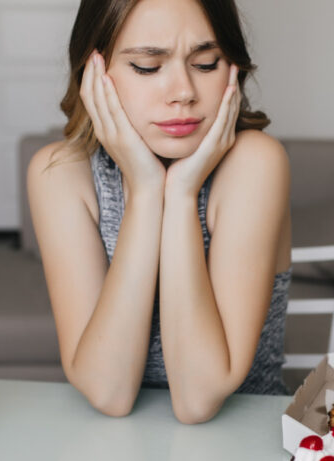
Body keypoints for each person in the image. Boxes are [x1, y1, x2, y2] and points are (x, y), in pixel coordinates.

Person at [26, 0, 291, 424]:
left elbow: (199, 398)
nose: (183, 91)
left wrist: (182, 194)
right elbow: (107, 391)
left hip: (241, 445)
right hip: (113, 452)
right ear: (94, 72)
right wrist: (146, 190)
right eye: (148, 66)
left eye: (206, 63)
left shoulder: (255, 163)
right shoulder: (57, 174)